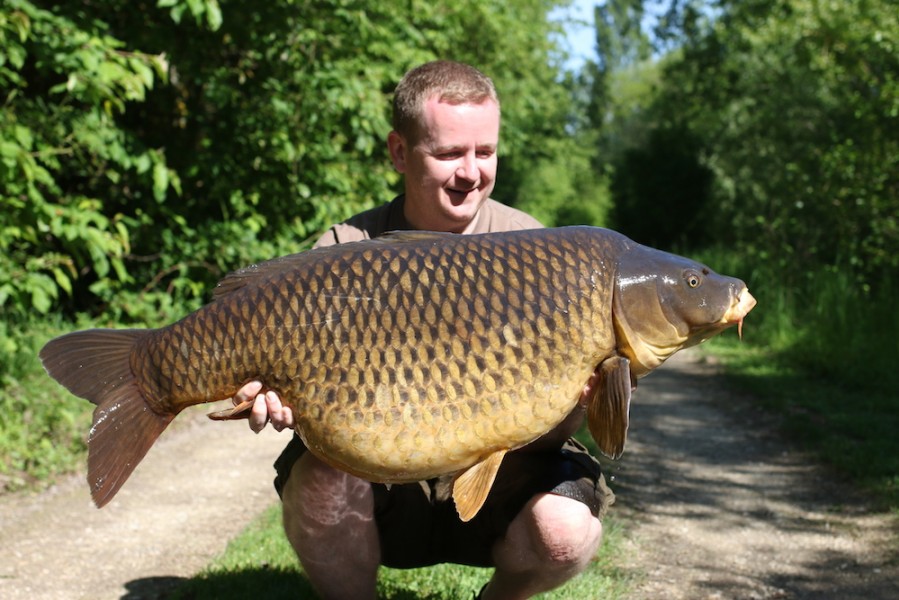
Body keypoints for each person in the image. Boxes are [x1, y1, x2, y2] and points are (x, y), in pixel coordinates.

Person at [232, 60, 614, 600]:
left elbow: (554, 429)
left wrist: (581, 400)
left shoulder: (535, 251)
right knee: (318, 477)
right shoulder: (343, 251)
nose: (471, 172)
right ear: (398, 152)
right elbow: (309, 412)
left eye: (485, 152)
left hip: (501, 478)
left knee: (567, 530)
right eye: (449, 153)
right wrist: (272, 398)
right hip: (384, 480)